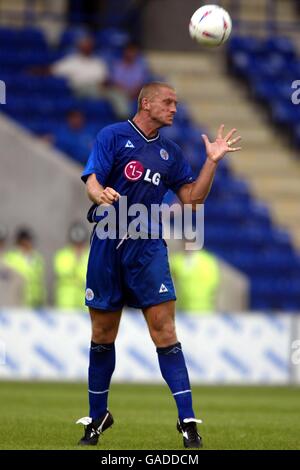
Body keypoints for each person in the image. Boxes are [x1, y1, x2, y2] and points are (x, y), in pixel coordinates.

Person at [77, 82, 241, 448]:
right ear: (145, 102)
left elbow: (193, 199)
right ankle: (97, 416)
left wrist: (211, 162)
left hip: (148, 247)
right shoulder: (113, 136)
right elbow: (92, 179)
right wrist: (99, 193)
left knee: (164, 332)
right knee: (103, 335)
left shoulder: (170, 152)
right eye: (168, 102)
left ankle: (187, 423)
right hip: (107, 242)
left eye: (176, 103)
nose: (174, 108)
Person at [3, 228, 46, 308]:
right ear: (21, 241)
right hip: (17, 300)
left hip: (34, 300)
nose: (29, 243)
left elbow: (39, 281)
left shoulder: (36, 257)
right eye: (27, 240)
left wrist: (41, 298)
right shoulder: (10, 257)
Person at [170, 248, 220, 313]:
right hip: (182, 310)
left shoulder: (209, 261)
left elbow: (215, 289)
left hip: (204, 310)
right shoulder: (176, 261)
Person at [53, 222, 89, 309]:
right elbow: (62, 271)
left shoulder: (90, 254)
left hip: (85, 301)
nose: (78, 246)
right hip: (66, 302)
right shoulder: (62, 255)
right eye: (76, 243)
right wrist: (76, 259)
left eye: (81, 243)